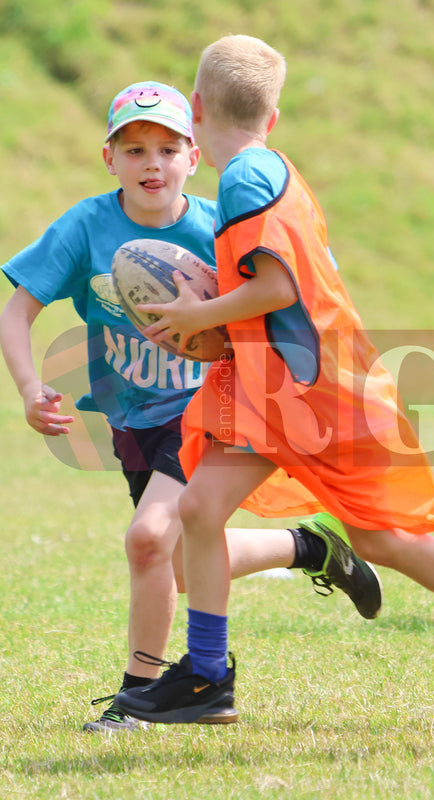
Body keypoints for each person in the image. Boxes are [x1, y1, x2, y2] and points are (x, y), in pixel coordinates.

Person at [112, 37, 434, 726]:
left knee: (378, 538)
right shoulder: (267, 168)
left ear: (194, 110)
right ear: (272, 116)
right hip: (267, 390)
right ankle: (207, 678)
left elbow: (278, 285)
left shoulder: (249, 176)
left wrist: (200, 313)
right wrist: (218, 326)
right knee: (197, 510)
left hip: (320, 392)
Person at [0, 80, 383, 733]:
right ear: (109, 158)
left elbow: (292, 285)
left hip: (212, 403)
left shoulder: (218, 227)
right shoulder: (85, 226)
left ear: (192, 156)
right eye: (135, 148)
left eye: (168, 147)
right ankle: (309, 550)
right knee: (179, 564)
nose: (151, 162)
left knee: (148, 540)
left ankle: (137, 699)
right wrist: (31, 387)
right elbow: (18, 309)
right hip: (133, 420)